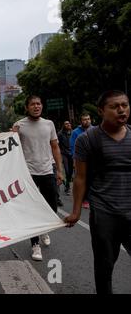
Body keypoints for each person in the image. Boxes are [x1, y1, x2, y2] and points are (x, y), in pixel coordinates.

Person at [65, 90, 131, 294]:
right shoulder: (86, 140)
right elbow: (80, 178)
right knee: (104, 268)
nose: (121, 110)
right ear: (101, 111)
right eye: (114, 106)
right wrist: (76, 212)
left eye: (125, 105)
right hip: (104, 214)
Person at [13, 95, 63, 261]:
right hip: (28, 173)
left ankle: (43, 229)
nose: (36, 106)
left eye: (39, 104)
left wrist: (60, 170)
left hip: (48, 171)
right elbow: (11, 148)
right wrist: (12, 135)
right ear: (27, 107)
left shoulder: (49, 124)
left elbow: (55, 147)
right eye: (33, 104)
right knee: (32, 209)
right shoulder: (19, 125)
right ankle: (35, 244)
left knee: (52, 207)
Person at [58, 121, 74, 195]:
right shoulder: (60, 134)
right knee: (67, 171)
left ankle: (67, 185)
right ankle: (68, 188)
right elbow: (58, 145)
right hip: (64, 154)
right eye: (66, 124)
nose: (68, 125)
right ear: (63, 125)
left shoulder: (73, 133)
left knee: (70, 172)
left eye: (69, 124)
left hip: (72, 154)